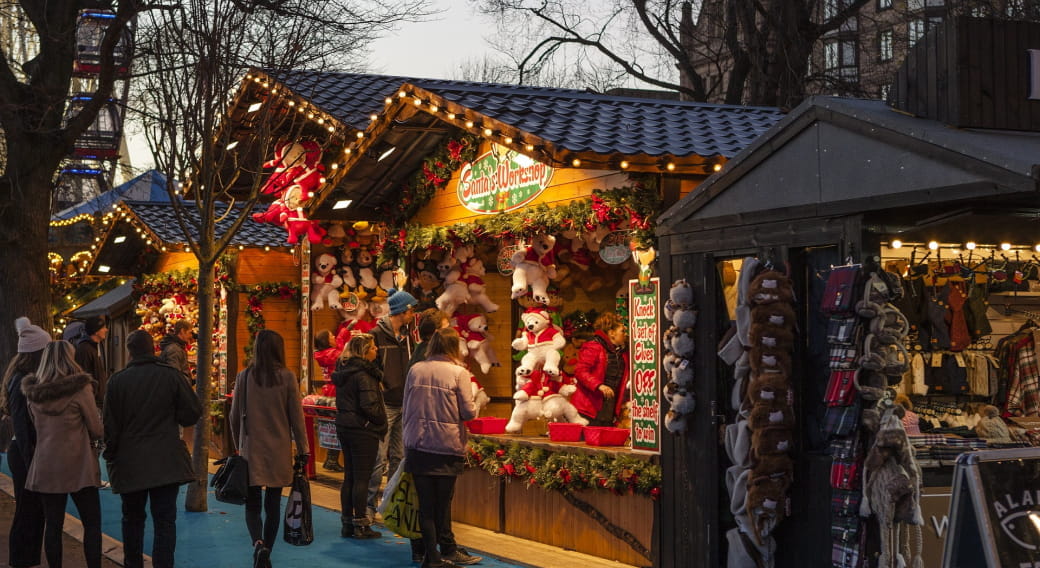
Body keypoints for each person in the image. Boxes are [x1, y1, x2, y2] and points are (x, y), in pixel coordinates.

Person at [103, 330, 202, 568]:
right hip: (165, 459)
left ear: (130, 351)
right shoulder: (171, 376)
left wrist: (112, 453)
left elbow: (110, 426)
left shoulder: (117, 382)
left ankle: (133, 563)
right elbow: (192, 412)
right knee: (165, 520)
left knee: (132, 519)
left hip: (130, 461)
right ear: (153, 348)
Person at [229, 330, 309, 568]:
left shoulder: (244, 377)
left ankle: (258, 543)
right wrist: (303, 449)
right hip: (279, 450)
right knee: (273, 505)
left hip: (251, 449)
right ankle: (268, 552)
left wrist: (238, 446)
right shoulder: (287, 377)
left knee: (252, 504)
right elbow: (297, 418)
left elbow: (234, 416)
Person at [403, 328, 483, 568]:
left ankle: (431, 557)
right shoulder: (460, 373)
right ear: (453, 347)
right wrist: (477, 403)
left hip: (417, 444)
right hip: (446, 446)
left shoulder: (415, 370)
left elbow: (406, 406)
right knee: (443, 504)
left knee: (425, 506)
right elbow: (468, 412)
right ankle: (441, 553)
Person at [21, 340, 104, 568]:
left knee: (53, 525)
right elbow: (96, 429)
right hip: (79, 465)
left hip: (46, 464)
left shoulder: (33, 393)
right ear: (70, 358)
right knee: (92, 523)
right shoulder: (80, 388)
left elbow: (34, 425)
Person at [367, 288, 418, 519]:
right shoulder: (376, 335)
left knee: (398, 457)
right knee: (379, 457)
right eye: (410, 310)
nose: (413, 314)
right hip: (386, 403)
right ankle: (368, 505)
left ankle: (389, 506)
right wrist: (383, 385)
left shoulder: (410, 337)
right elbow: (371, 366)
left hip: (404, 403)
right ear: (402, 311)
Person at [2, 317, 49, 568]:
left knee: (30, 508)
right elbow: (21, 425)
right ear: (37, 352)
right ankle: (22, 559)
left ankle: (26, 558)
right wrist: (32, 461)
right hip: (24, 453)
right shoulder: (22, 380)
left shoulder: (20, 376)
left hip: (23, 451)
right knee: (28, 508)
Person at [331, 332, 387, 539]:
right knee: (362, 478)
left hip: (345, 426)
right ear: (364, 351)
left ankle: (347, 523)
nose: (377, 350)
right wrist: (381, 421)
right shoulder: (365, 374)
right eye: (373, 348)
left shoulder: (344, 370)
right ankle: (361, 524)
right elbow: (369, 405)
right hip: (363, 429)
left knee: (350, 477)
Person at [572, 312, 630, 426]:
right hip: (590, 407)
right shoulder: (594, 346)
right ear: (612, 333)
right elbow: (580, 371)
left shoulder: (622, 352)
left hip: (609, 406)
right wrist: (599, 385)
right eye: (622, 331)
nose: (625, 334)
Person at [314, 328, 348, 472]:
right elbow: (343, 356)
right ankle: (332, 459)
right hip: (336, 392)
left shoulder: (322, 354)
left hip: (328, 391)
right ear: (327, 340)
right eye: (331, 336)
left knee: (331, 426)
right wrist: (342, 336)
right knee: (337, 426)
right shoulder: (331, 354)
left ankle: (331, 458)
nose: (334, 337)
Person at [74, 315, 109, 411]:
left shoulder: (94, 347)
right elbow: (83, 376)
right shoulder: (85, 349)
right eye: (103, 328)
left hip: (97, 401)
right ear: (96, 331)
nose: (106, 330)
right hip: (92, 403)